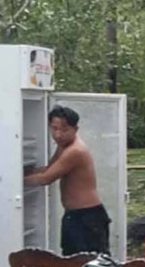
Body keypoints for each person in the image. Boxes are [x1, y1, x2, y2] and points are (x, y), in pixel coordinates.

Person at [25, 106, 109, 255]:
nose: (58, 134)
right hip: (74, 215)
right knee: (72, 263)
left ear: (75, 129)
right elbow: (48, 168)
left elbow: (46, 178)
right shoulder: (63, 146)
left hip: (87, 217)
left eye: (64, 129)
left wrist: (14, 183)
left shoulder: (75, 151)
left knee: (89, 266)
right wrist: (23, 172)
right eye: (54, 128)